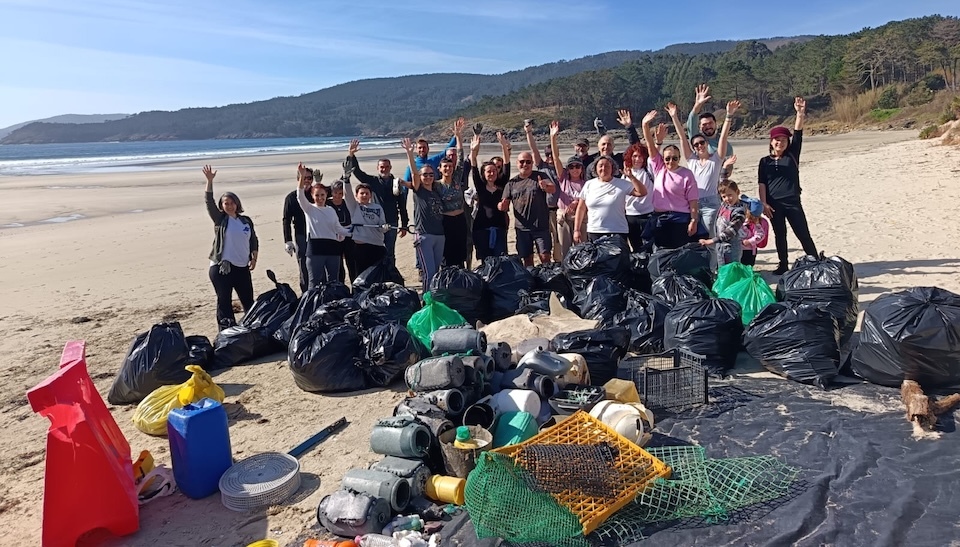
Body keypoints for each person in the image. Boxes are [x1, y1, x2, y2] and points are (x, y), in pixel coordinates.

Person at [668, 99, 738, 268]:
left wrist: (729, 115)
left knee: (713, 240)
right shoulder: (691, 159)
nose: (699, 146)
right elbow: (682, 137)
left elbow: (723, 137)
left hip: (711, 205)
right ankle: (699, 270)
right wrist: (674, 117)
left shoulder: (716, 159)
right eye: (696, 144)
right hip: (692, 204)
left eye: (702, 143)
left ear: (707, 143)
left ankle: (716, 272)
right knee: (692, 240)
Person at [759, 96, 818, 275]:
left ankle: (815, 260)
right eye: (777, 139)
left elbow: (798, 133)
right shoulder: (764, 161)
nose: (780, 142)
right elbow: (761, 183)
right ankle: (783, 264)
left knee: (803, 233)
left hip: (792, 201)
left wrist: (800, 113)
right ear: (771, 141)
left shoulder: (792, 154)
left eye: (784, 140)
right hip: (773, 204)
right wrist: (763, 203)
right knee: (780, 235)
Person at [202, 165, 258, 330]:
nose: (229, 206)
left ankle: (251, 329)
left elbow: (253, 240)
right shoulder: (220, 220)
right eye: (226, 203)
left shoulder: (245, 221)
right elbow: (208, 202)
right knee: (224, 301)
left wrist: (254, 258)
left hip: (242, 267)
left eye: (232, 203)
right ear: (222, 205)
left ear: (237, 204)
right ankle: (226, 332)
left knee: (248, 301)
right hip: (222, 267)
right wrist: (209, 181)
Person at [640, 110, 699, 250]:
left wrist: (694, 220)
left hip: (681, 219)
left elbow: (693, 201)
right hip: (660, 218)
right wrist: (645, 125)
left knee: (679, 253)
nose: (670, 161)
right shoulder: (659, 168)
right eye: (667, 158)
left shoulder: (686, 174)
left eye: (674, 158)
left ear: (679, 159)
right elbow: (650, 146)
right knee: (660, 252)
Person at [345, 140, 409, 267]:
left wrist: (404, 224)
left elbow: (402, 205)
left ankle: (390, 275)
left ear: (390, 168)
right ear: (377, 168)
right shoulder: (372, 181)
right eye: (381, 167)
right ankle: (376, 275)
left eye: (386, 167)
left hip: (391, 222)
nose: (384, 169)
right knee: (375, 251)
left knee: (389, 252)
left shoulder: (396, 183)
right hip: (373, 223)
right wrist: (351, 155)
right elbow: (357, 172)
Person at [573, 155, 648, 252]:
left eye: (607, 166)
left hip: (617, 231)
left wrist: (631, 177)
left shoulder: (622, 183)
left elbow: (642, 193)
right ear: (595, 168)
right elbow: (581, 208)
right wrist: (577, 230)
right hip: (595, 230)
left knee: (617, 264)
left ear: (612, 168)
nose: (603, 168)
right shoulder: (589, 184)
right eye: (600, 166)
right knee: (598, 264)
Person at [400, 137, 446, 292]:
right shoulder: (419, 190)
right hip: (424, 235)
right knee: (428, 272)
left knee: (437, 272)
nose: (428, 177)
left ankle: (434, 299)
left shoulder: (437, 191)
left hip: (440, 235)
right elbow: (413, 172)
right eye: (425, 174)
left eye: (430, 174)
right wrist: (409, 153)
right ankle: (427, 303)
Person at [497, 151, 557, 266]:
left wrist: (545, 186)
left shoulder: (540, 176)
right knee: (527, 260)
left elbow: (552, 189)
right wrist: (501, 206)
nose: (525, 164)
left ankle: (546, 281)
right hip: (522, 228)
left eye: (528, 162)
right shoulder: (512, 183)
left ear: (532, 163)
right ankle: (531, 281)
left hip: (541, 226)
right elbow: (504, 204)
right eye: (522, 162)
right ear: (517, 163)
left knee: (545, 258)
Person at [296, 166, 351, 286]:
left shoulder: (331, 210)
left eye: (322, 195)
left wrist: (354, 231)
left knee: (333, 281)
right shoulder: (309, 208)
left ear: (326, 195)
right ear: (312, 196)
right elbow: (300, 195)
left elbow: (338, 229)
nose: (320, 198)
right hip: (315, 249)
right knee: (314, 282)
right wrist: (301, 176)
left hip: (332, 249)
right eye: (317, 196)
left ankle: (332, 304)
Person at [469, 132, 511, 260]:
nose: (492, 173)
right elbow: (474, 166)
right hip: (481, 229)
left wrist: (504, 146)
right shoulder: (480, 186)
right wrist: (474, 151)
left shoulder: (501, 185)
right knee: (485, 261)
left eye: (494, 170)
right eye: (488, 171)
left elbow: (507, 165)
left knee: (501, 260)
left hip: (499, 228)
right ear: (484, 173)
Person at [524, 120, 562, 261]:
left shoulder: (560, 169)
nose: (549, 157)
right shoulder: (541, 166)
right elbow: (533, 149)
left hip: (557, 209)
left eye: (552, 154)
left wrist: (554, 138)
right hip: (543, 211)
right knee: (545, 243)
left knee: (559, 242)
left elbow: (556, 155)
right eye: (547, 154)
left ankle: (558, 263)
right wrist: (528, 132)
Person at [548, 122, 587, 259]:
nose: (574, 169)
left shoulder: (586, 183)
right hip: (563, 217)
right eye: (571, 167)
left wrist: (576, 202)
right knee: (565, 250)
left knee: (581, 249)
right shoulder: (563, 178)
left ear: (582, 169)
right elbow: (556, 158)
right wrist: (553, 138)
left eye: (577, 166)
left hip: (581, 218)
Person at [437, 118, 472, 269]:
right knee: (447, 255)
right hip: (446, 222)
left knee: (460, 254)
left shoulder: (457, 178)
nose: (448, 169)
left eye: (450, 166)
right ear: (440, 169)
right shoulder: (435, 185)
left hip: (460, 220)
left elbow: (461, 155)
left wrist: (458, 136)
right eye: (445, 167)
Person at [342, 179, 389, 276]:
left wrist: (385, 227)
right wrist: (346, 181)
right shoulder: (354, 206)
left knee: (378, 274)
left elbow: (381, 226)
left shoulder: (378, 208)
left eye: (367, 193)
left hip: (378, 246)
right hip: (361, 247)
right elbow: (348, 196)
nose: (364, 195)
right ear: (356, 195)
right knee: (362, 275)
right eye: (362, 193)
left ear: (370, 195)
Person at [698, 180, 747, 267]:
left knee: (731, 272)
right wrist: (725, 168)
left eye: (730, 195)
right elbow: (722, 181)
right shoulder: (725, 205)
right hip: (720, 247)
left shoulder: (739, 212)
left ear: (737, 192)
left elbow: (731, 231)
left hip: (731, 249)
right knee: (722, 270)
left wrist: (711, 241)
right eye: (724, 197)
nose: (727, 199)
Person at [587, 109, 642, 179]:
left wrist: (629, 127)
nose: (606, 147)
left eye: (609, 144)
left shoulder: (620, 159)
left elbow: (635, 147)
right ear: (598, 146)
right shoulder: (591, 162)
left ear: (613, 147)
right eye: (603, 144)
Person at [621, 141, 655, 253]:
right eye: (635, 156)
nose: (638, 159)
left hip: (647, 214)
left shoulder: (648, 171)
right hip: (630, 216)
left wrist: (657, 142)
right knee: (635, 247)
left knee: (649, 246)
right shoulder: (624, 175)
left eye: (640, 156)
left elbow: (654, 154)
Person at [686, 84, 735, 158]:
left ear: (716, 124)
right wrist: (697, 105)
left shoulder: (726, 145)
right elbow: (692, 120)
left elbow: (729, 167)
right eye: (704, 124)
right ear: (699, 127)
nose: (708, 126)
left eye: (710, 123)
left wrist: (729, 115)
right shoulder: (698, 141)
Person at [282, 180, 311, 293]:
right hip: (301, 235)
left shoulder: (316, 193)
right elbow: (286, 219)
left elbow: (334, 192)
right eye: (304, 178)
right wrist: (288, 240)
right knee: (303, 264)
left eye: (309, 178)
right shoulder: (291, 197)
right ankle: (306, 293)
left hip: (318, 235)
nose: (307, 181)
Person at [740, 198, 768, 267]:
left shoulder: (755, 224)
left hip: (749, 251)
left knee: (747, 268)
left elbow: (760, 235)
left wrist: (749, 241)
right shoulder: (741, 219)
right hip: (739, 249)